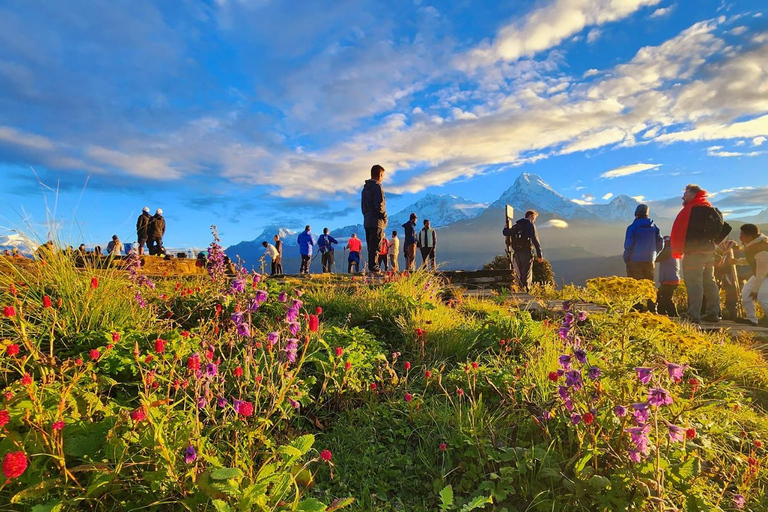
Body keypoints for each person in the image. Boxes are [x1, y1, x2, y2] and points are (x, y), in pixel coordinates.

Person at [670, 184, 723, 323]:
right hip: (710, 250)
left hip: (694, 252)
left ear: (693, 195)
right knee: (709, 281)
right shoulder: (709, 208)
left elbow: (680, 232)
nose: (683, 197)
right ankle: (713, 313)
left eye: (685, 194)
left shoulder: (690, 210)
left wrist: (678, 249)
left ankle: (693, 314)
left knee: (694, 282)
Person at [623, 204, 664, 312]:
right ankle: (652, 308)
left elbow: (628, 245)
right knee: (649, 284)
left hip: (634, 260)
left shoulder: (632, 227)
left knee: (635, 285)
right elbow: (661, 243)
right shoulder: (654, 227)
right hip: (649, 260)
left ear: (636, 214)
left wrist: (626, 258)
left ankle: (637, 308)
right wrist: (654, 254)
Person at [735, 224, 768, 326]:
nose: (740, 237)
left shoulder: (761, 248)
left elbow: (762, 272)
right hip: (760, 273)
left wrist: (755, 290)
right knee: (746, 294)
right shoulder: (753, 245)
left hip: (764, 274)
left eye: (742, 234)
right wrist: (737, 261)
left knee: (762, 299)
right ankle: (752, 319)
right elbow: (754, 261)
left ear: (749, 236)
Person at [505, 210, 543, 292]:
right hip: (526, 252)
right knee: (526, 272)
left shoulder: (517, 226)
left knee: (519, 273)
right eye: (534, 218)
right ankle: (525, 290)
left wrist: (505, 228)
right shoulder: (530, 225)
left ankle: (518, 289)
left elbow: (506, 233)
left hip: (517, 252)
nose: (534, 220)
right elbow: (535, 240)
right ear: (531, 216)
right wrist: (539, 255)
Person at [361, 164, 387, 272]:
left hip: (367, 220)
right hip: (376, 221)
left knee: (370, 245)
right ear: (379, 175)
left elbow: (363, 206)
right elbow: (379, 204)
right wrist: (384, 217)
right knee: (376, 245)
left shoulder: (364, 190)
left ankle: (372, 265)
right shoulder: (377, 186)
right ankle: (374, 266)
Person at [714, 239, 741, 320]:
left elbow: (725, 268)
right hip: (731, 280)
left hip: (731, 281)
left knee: (731, 300)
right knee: (733, 299)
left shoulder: (729, 257)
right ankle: (734, 316)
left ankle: (734, 316)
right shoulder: (733, 256)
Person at [656, 236, 681, 316]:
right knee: (663, 296)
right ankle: (665, 313)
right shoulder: (672, 250)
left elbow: (656, 258)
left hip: (669, 279)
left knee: (664, 297)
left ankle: (673, 314)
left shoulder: (668, 251)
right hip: (671, 278)